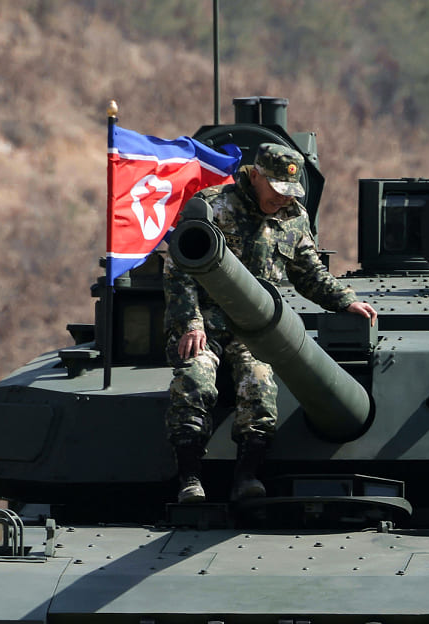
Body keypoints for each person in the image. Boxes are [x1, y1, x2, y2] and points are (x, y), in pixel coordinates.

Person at [162, 142, 378, 503]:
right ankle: (190, 478)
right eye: (277, 190)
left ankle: (246, 476)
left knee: (261, 386)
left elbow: (308, 272)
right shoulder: (214, 205)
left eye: (289, 192)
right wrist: (190, 323)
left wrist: (345, 299)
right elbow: (178, 269)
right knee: (194, 380)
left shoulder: (293, 218)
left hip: (254, 327)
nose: (282, 199)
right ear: (256, 176)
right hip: (206, 322)